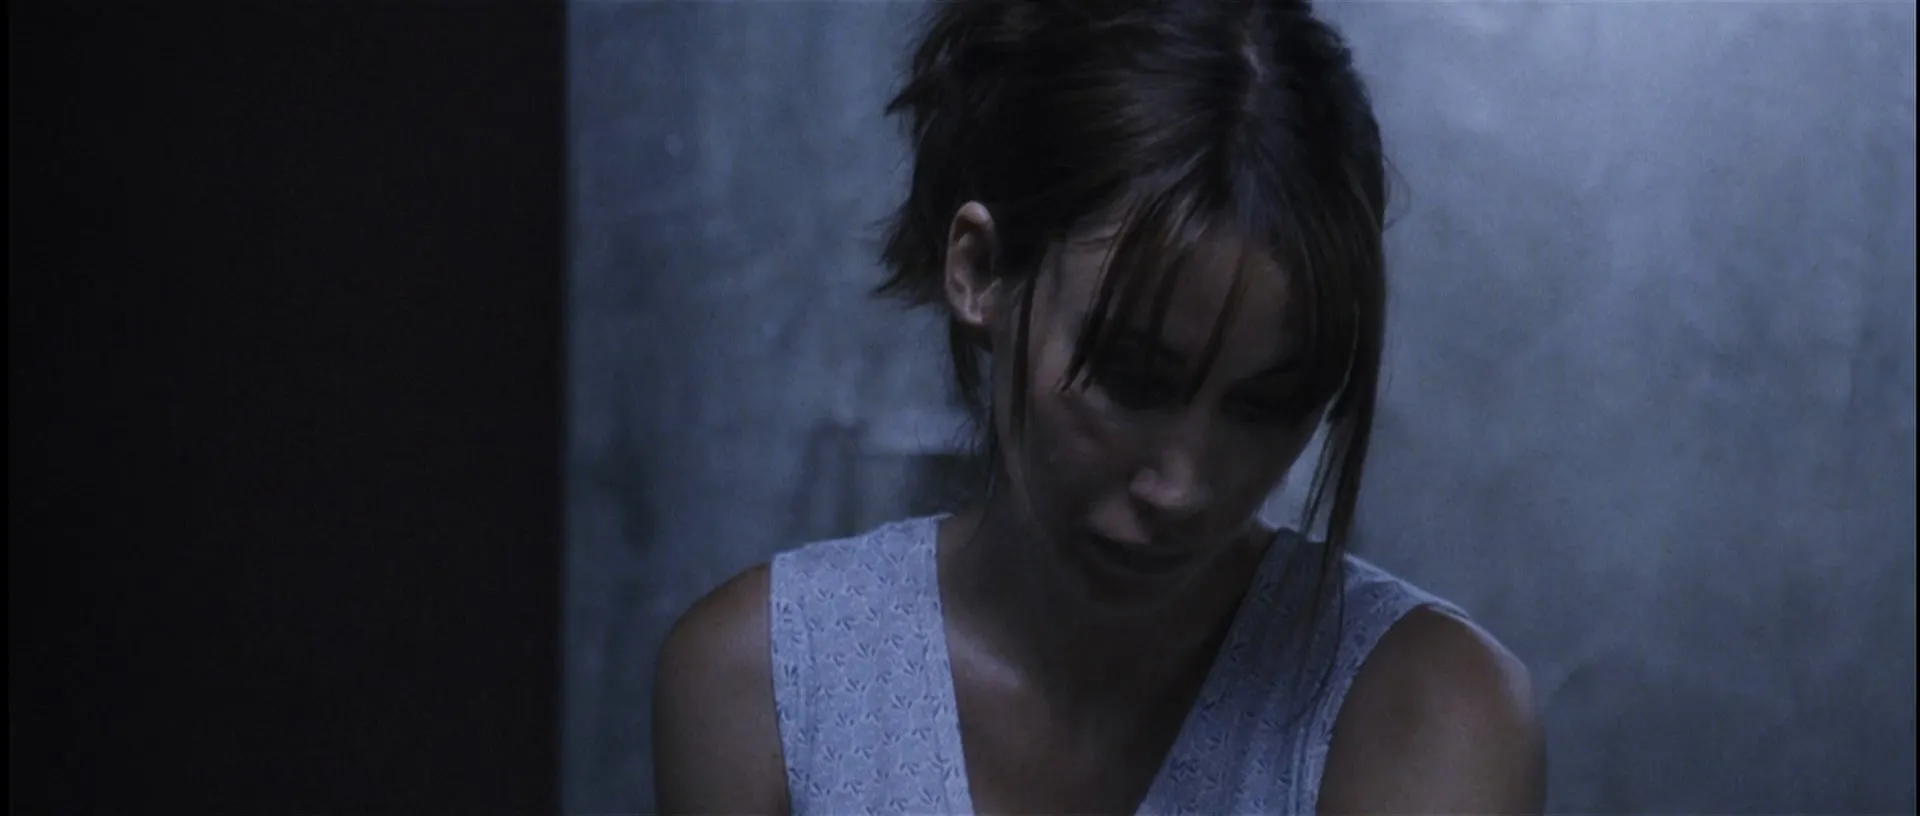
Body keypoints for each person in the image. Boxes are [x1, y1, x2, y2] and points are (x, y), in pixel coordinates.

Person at [652, 0, 1547, 813]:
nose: (1184, 485)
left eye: (1267, 405)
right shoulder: (767, 683)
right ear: (979, 271)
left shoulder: (1426, 711)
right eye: (1131, 378)